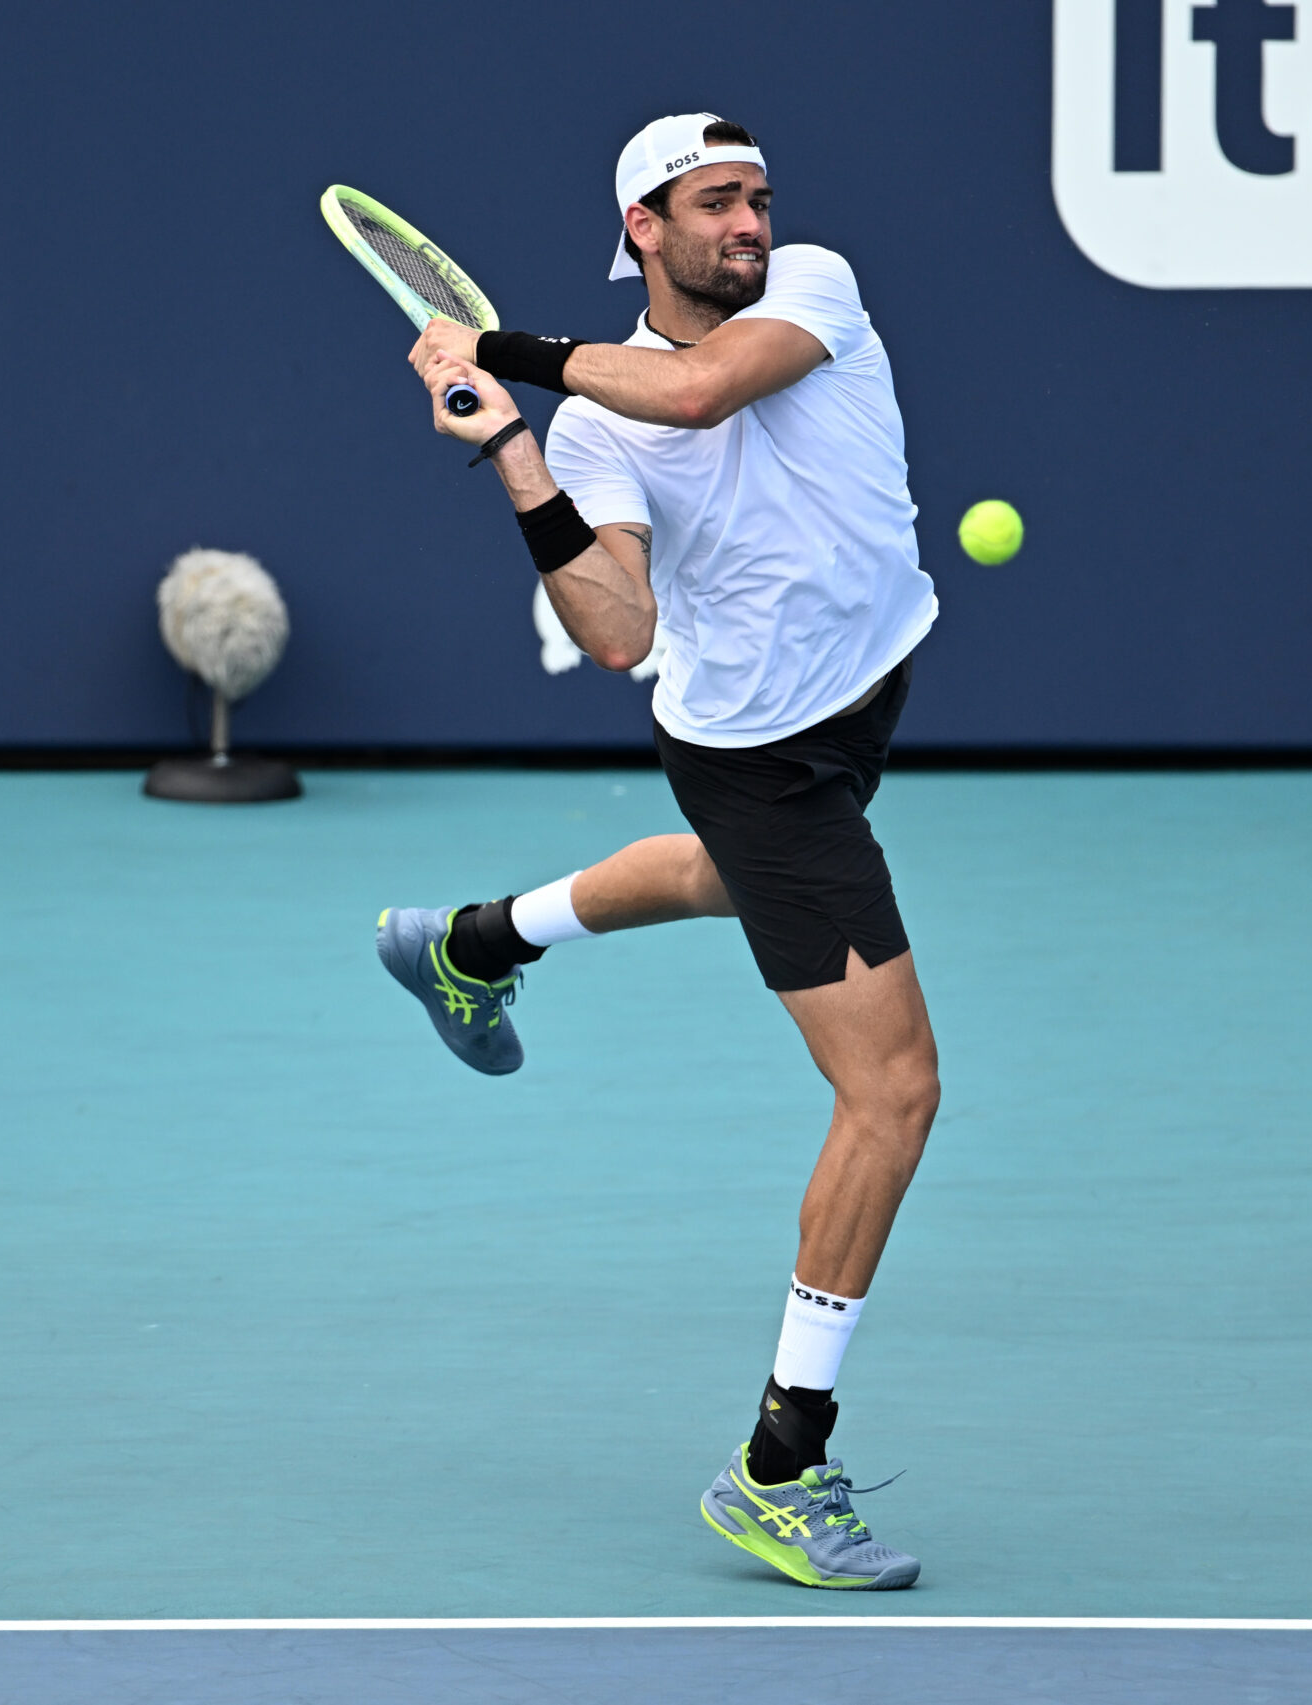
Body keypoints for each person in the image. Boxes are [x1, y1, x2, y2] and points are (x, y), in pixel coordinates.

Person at [376, 113, 939, 1591]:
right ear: (646, 227)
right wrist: (510, 448)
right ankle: (779, 1461)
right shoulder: (586, 419)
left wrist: (499, 348)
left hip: (860, 687)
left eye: (758, 197)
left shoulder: (812, 284)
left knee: (710, 879)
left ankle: (474, 942)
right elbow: (617, 629)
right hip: (760, 752)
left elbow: (697, 397)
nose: (751, 223)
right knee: (890, 1089)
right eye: (716, 203)